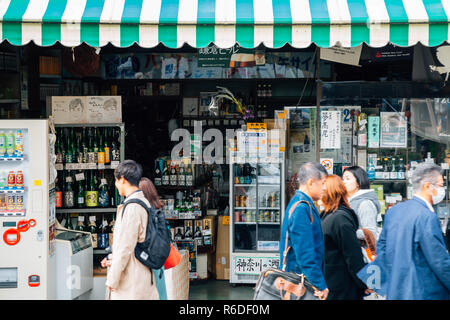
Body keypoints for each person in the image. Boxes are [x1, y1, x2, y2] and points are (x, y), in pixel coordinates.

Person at [357, 162, 450, 300]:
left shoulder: (394, 211)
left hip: (396, 290)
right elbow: (439, 261)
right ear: (428, 186)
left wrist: (372, 282)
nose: (443, 190)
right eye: (441, 185)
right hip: (423, 292)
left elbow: (382, 249)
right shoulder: (427, 217)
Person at [103, 160, 159, 300]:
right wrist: (112, 258)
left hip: (132, 281)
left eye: (116, 181)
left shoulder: (132, 208)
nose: (116, 185)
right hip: (141, 275)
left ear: (122, 179)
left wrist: (112, 279)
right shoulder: (143, 202)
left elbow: (125, 248)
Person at [279, 162, 329, 300]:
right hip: (299, 283)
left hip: (301, 280)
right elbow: (305, 253)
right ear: (311, 182)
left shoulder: (302, 203)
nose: (325, 188)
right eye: (323, 183)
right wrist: (320, 284)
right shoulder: (302, 208)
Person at [321, 175, 371, 300]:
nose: (319, 191)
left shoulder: (337, 218)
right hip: (336, 285)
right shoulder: (331, 216)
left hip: (341, 287)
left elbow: (353, 256)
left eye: (323, 188)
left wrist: (363, 283)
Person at [139, 177, 167, 300]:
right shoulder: (158, 212)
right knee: (161, 291)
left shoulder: (144, 212)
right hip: (158, 260)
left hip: (147, 261)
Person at [342, 166, 381, 240]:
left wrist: (344, 232)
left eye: (348, 179)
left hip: (362, 250)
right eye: (343, 179)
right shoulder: (348, 201)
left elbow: (370, 232)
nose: (344, 182)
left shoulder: (365, 203)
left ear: (358, 182)